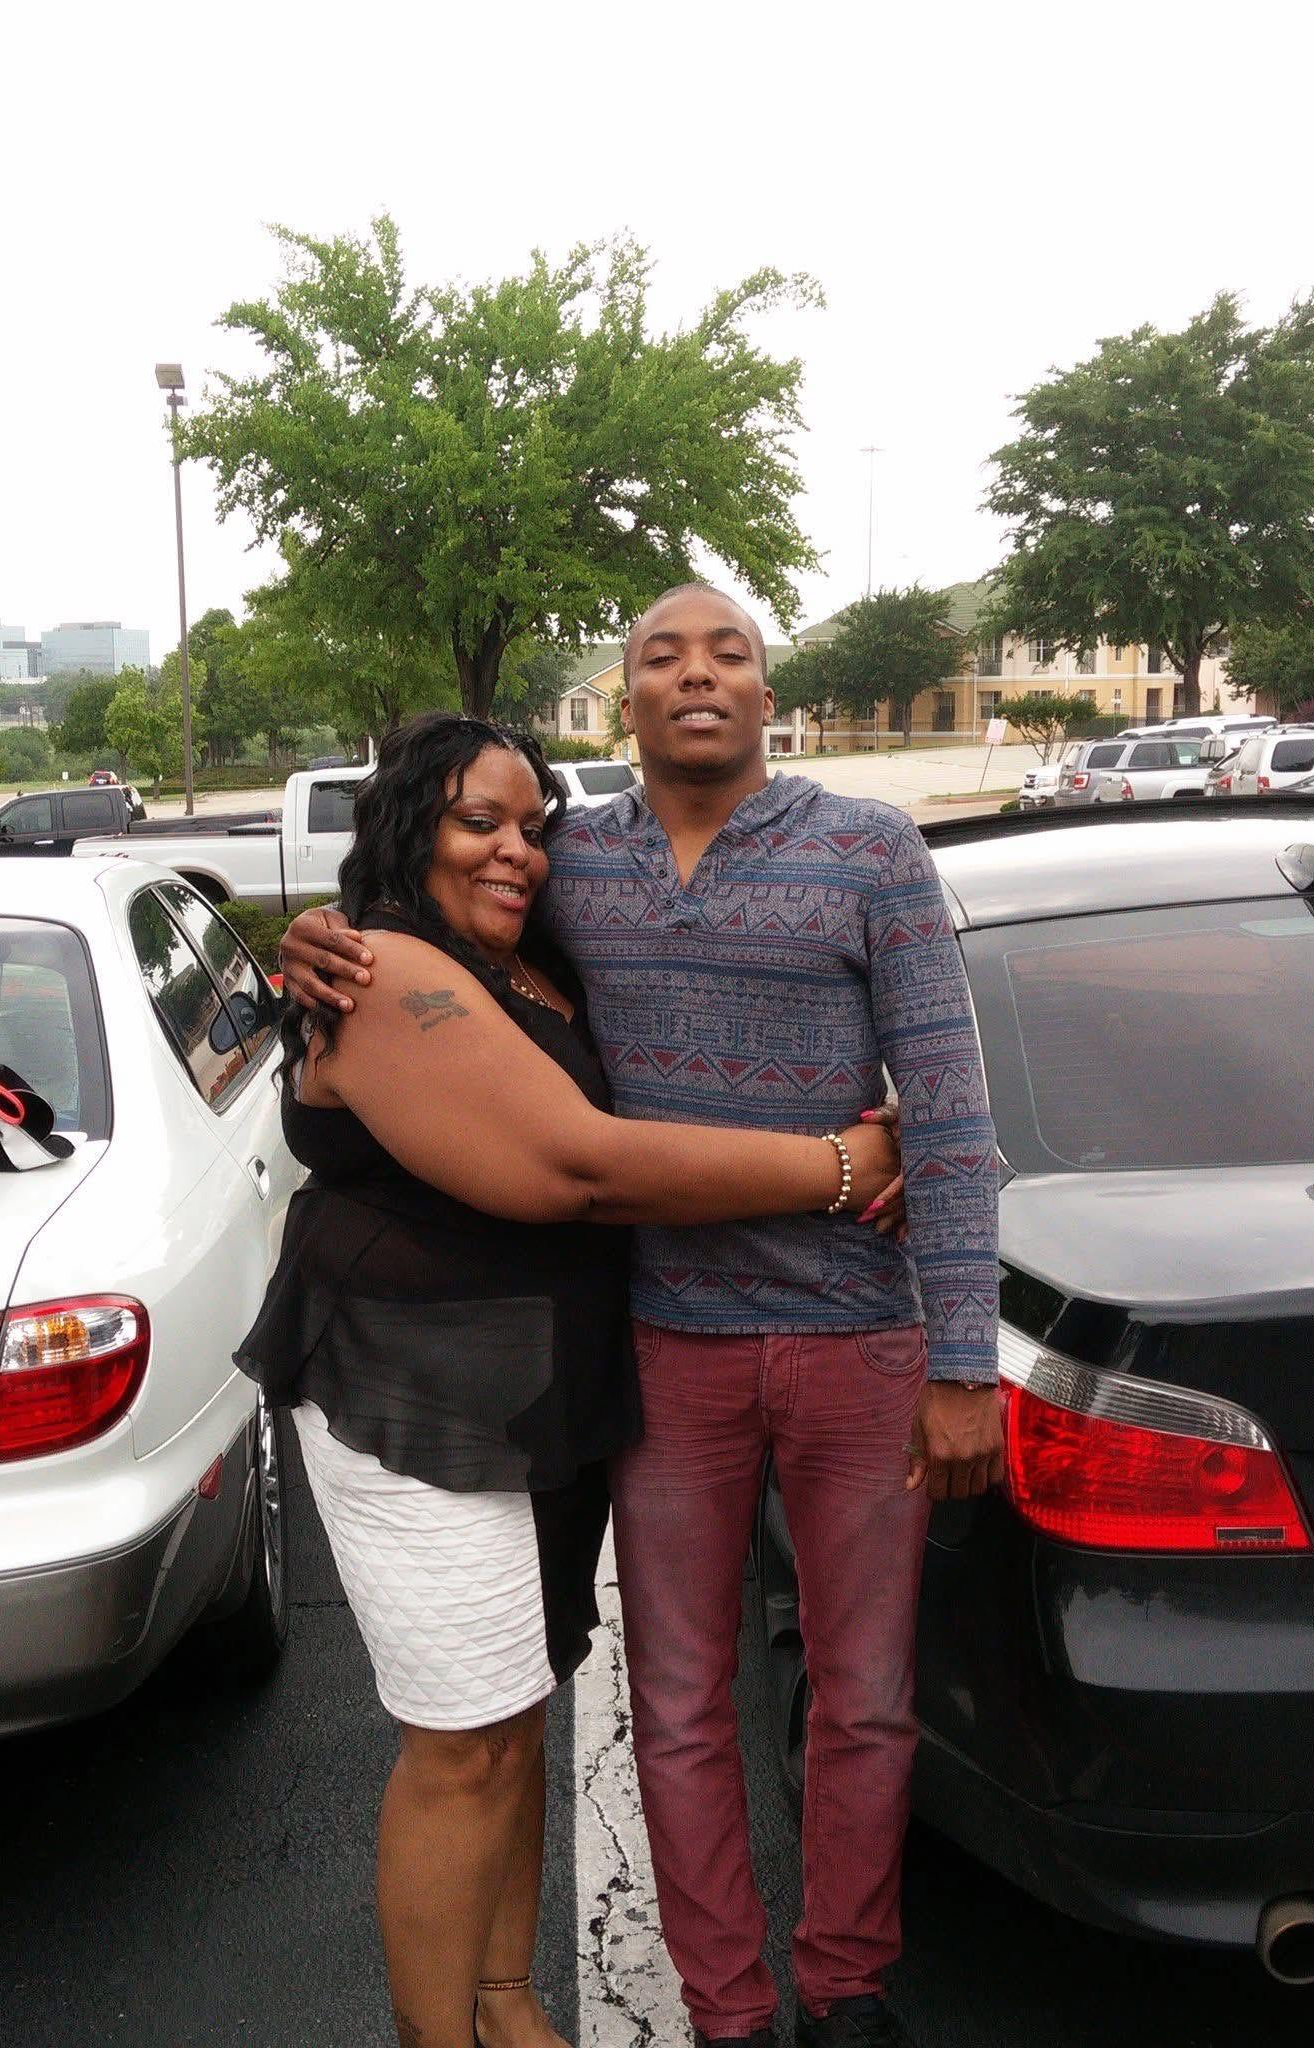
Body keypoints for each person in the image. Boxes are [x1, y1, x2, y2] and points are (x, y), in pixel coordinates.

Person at [281, 589, 1003, 2048]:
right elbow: (432, 925)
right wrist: (312, 941)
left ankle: (848, 1984)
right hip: (666, 1345)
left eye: (726, 651)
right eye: (662, 656)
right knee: (676, 1704)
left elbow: (954, 1104)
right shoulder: (575, 863)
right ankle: (726, 2008)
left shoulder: (869, 850)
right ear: (624, 700)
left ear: (766, 686)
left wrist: (965, 1359)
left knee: (863, 1696)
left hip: (860, 1341)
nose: (696, 674)